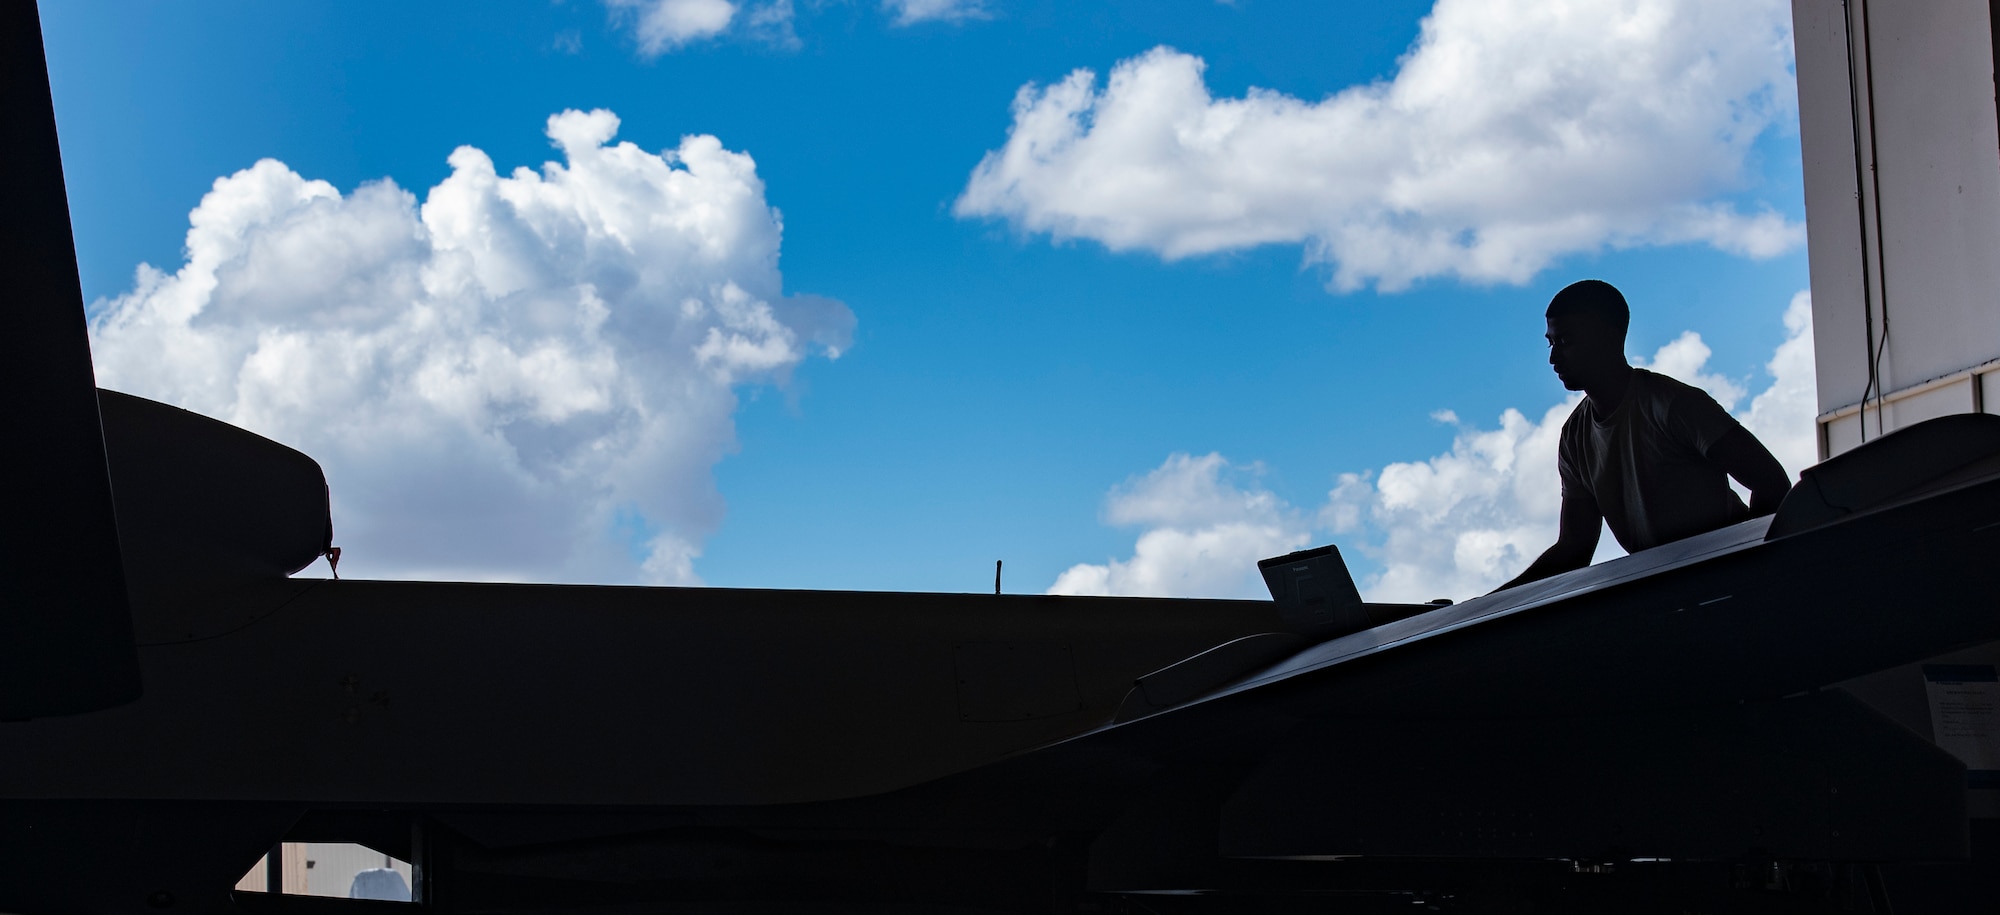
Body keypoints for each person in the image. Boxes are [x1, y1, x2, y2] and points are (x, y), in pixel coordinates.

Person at [1496, 280, 1793, 592]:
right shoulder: (1574, 435)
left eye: (1566, 341)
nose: (1553, 358)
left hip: (1724, 589)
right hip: (1665, 595)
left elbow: (1771, 481)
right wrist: (1487, 605)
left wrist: (1748, 565)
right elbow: (1574, 547)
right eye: (1551, 343)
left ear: (1609, 337)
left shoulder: (1674, 405)